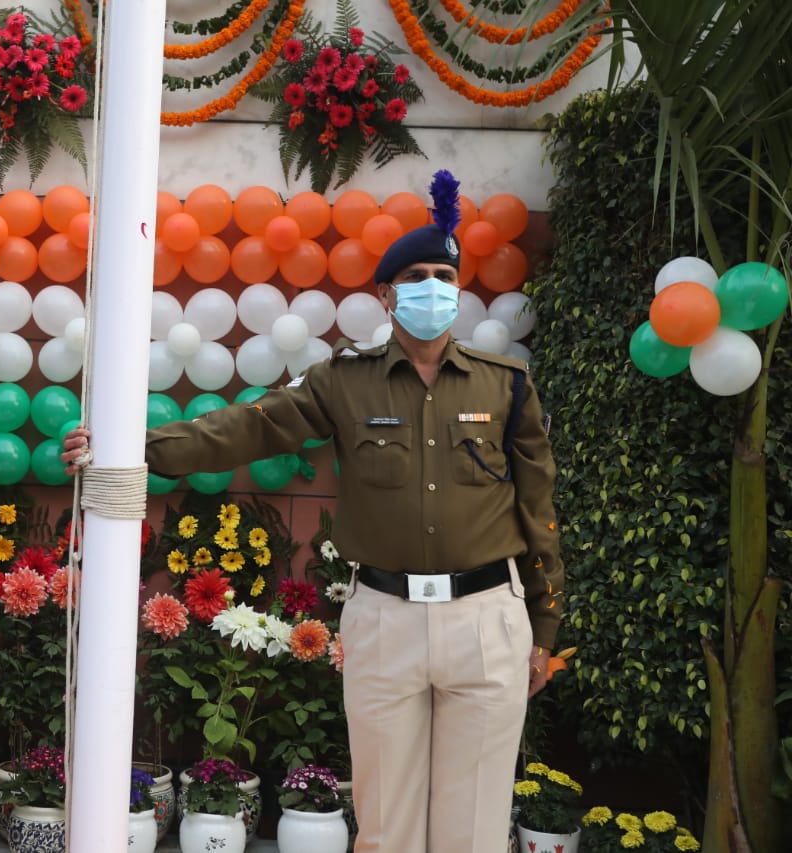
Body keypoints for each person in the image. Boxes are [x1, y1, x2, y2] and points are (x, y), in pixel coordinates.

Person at [62, 171, 563, 853]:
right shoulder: (343, 379)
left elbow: (538, 507)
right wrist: (132, 447)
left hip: (486, 617)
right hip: (385, 619)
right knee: (384, 823)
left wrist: (544, 623)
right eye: (416, 275)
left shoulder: (506, 384)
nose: (433, 288)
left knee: (474, 828)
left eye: (444, 275)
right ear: (387, 295)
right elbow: (250, 428)